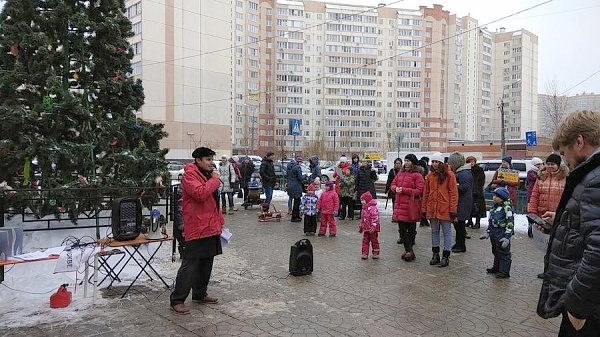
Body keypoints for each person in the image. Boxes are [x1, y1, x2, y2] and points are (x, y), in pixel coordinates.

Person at [536, 110, 600, 336]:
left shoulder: (595, 178)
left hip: (589, 309)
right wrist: (564, 221)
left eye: (564, 154)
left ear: (579, 141)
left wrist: (576, 308)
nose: (565, 161)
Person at [170, 147, 223, 315]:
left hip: (210, 226)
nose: (211, 162)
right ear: (198, 160)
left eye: (211, 159)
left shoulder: (207, 175)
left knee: (207, 262)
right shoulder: (190, 175)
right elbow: (200, 194)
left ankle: (200, 293)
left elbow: (212, 201)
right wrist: (215, 181)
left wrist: (219, 221)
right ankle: (177, 300)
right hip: (196, 227)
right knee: (190, 264)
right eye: (207, 159)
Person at [528, 154, 567, 279]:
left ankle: (557, 271)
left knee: (558, 246)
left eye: (553, 164)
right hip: (543, 217)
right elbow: (534, 195)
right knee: (547, 246)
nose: (550, 166)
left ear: (558, 165)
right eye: (548, 164)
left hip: (559, 217)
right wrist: (532, 213)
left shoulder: (564, 177)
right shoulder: (541, 177)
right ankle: (547, 271)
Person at [422, 152, 458, 268]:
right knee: (434, 232)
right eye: (433, 162)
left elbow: (453, 193)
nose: (434, 164)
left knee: (447, 233)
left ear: (441, 162)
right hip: (433, 208)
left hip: (445, 208)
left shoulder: (449, 175)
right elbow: (426, 193)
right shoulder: (430, 176)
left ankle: (446, 256)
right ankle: (435, 254)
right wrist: (424, 208)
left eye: (436, 161)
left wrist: (453, 209)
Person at [390, 154, 425, 261]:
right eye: (405, 160)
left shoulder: (417, 175)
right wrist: (395, 189)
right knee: (402, 230)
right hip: (400, 206)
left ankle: (409, 250)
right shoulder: (400, 173)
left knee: (411, 230)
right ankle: (409, 251)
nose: (406, 163)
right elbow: (393, 184)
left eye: (408, 160)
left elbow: (420, 190)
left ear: (413, 162)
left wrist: (404, 190)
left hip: (411, 206)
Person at [480, 187, 514, 279]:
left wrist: (507, 237)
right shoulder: (493, 208)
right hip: (494, 233)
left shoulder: (507, 208)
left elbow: (510, 223)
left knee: (504, 253)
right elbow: (491, 221)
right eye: (494, 195)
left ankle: (504, 271)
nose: (494, 197)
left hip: (501, 232)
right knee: (496, 251)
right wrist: (488, 232)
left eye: (497, 196)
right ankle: (497, 267)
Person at [448, 152, 473, 253]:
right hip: (462, 202)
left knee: (460, 225)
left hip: (462, 203)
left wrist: (453, 187)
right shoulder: (462, 172)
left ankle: (461, 245)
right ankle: (458, 243)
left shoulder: (463, 173)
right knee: (458, 225)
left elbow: (464, 188)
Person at [359, 191, 381, 260]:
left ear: (367, 200)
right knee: (365, 241)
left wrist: (373, 226)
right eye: (361, 200)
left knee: (374, 241)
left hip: (372, 229)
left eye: (363, 200)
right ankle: (365, 253)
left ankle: (375, 253)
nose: (362, 202)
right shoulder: (364, 209)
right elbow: (362, 219)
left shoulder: (372, 208)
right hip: (366, 228)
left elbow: (375, 218)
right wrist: (361, 226)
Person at [466, 156, 487, 229]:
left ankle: (477, 223)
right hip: (469, 191)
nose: (471, 163)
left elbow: (481, 181)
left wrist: (477, 190)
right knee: (469, 208)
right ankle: (469, 221)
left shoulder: (479, 169)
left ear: (475, 162)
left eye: (472, 161)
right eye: (469, 162)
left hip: (477, 192)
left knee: (478, 208)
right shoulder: (467, 170)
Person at [525, 157, 544, 237]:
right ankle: (530, 226)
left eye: (541, 164)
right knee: (531, 211)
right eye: (538, 164)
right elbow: (536, 178)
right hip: (531, 195)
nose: (540, 166)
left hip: (539, 194)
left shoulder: (539, 172)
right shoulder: (531, 172)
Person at [386, 158, 403, 243]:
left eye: (399, 163)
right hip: (393, 190)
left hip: (401, 191)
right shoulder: (392, 171)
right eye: (396, 163)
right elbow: (389, 181)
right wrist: (387, 190)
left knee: (400, 204)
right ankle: (395, 216)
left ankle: (399, 216)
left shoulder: (403, 171)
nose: (397, 164)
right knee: (394, 204)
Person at [334, 156, 356, 221]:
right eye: (346, 171)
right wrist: (340, 183)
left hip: (349, 194)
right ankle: (342, 215)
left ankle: (350, 216)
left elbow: (349, 183)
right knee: (343, 205)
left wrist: (343, 180)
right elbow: (340, 183)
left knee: (350, 206)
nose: (346, 171)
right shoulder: (343, 176)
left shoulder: (352, 177)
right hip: (343, 193)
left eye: (348, 171)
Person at [286, 156, 305, 222]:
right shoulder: (297, 168)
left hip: (290, 186)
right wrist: (305, 176)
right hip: (296, 186)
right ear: (298, 162)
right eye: (300, 162)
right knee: (297, 202)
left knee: (295, 201)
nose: (301, 164)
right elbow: (300, 178)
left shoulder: (289, 167)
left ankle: (295, 216)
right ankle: (295, 217)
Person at [417, 158, 430, 228]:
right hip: (423, 191)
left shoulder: (418, 172)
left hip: (421, 192)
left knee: (422, 206)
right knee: (423, 206)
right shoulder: (425, 172)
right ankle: (423, 220)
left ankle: (423, 220)